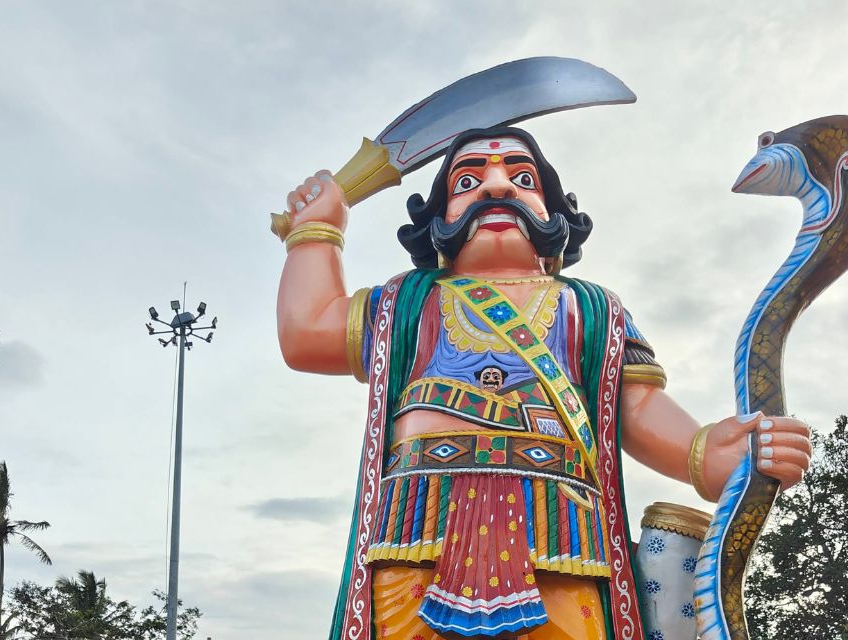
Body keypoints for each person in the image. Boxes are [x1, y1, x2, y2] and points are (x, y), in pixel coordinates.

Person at [275, 127, 812, 640]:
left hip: (559, 530)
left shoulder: (592, 308)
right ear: (436, 221)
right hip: (419, 525)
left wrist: (703, 452)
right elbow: (307, 332)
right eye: (466, 182)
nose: (496, 185)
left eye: (522, 178)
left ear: (555, 215)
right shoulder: (407, 302)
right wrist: (315, 234)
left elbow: (637, 406)